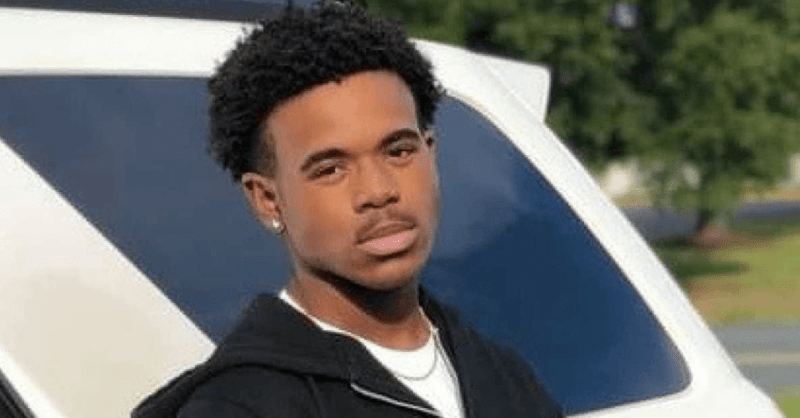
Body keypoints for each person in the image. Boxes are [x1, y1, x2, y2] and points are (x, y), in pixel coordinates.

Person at [133, 2, 563, 417]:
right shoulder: (242, 404)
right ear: (267, 199)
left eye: (398, 151)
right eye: (331, 169)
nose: (378, 191)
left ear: (430, 152)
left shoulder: (502, 377)